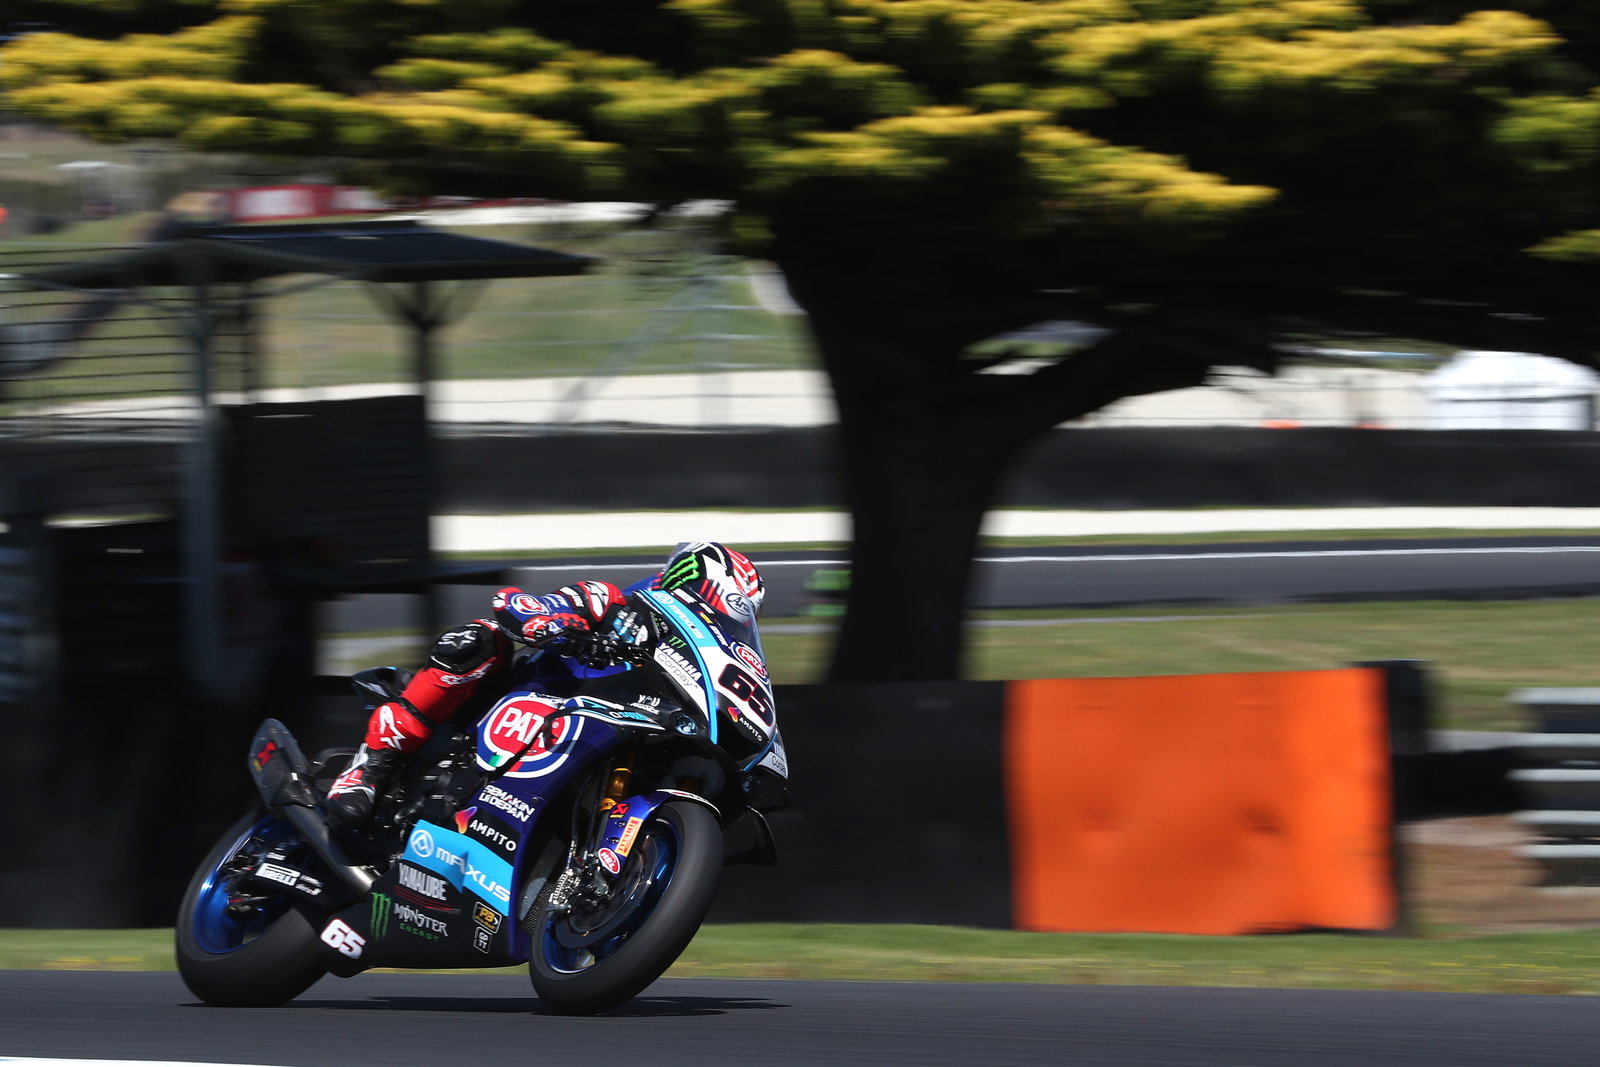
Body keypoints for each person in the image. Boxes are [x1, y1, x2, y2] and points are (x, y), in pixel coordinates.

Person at [325, 541, 766, 826]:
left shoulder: (706, 660)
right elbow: (514, 603)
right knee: (479, 641)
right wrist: (553, 625)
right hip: (518, 702)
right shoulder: (619, 602)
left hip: (605, 734)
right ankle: (368, 769)